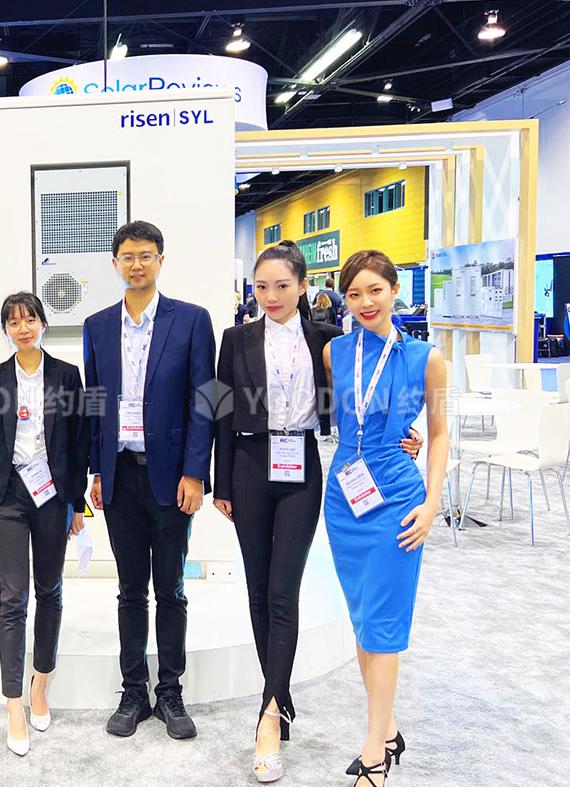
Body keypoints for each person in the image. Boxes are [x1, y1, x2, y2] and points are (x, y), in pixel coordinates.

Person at [213, 242, 423, 784]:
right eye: (261, 287)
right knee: (257, 590)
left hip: (302, 469)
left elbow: (365, 398)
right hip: (249, 467)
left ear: (303, 286)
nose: (271, 296)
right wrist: (221, 482)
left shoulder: (328, 341)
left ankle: (268, 716)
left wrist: (406, 433)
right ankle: (279, 700)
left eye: (282, 285)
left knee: (283, 592)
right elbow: (220, 411)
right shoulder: (234, 339)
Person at [83, 220, 215, 740]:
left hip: (171, 478)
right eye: (127, 256)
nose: (136, 264)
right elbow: (94, 401)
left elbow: (205, 402)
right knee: (129, 590)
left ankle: (170, 691)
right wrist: (96, 468)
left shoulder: (191, 320)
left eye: (145, 255)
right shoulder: (97, 325)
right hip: (119, 474)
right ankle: (134, 691)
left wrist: (195, 473)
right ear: (115, 263)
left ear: (161, 260)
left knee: (172, 590)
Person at [323, 250, 448, 787]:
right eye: (354, 294)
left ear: (395, 290)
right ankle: (389, 727)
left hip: (397, 498)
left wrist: (433, 501)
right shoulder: (334, 351)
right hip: (344, 495)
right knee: (362, 617)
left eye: (375, 290)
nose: (365, 302)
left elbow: (438, 433)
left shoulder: (427, 358)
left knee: (384, 622)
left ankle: (374, 751)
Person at [0, 292, 89, 756]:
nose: (23, 328)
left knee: (50, 589)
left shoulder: (66, 375)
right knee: (12, 598)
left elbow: (79, 441)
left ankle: (41, 681)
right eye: (14, 322)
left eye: (30, 319)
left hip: (53, 494)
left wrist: (77, 503)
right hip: (8, 494)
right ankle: (13, 703)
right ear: (5, 329)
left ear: (42, 323)